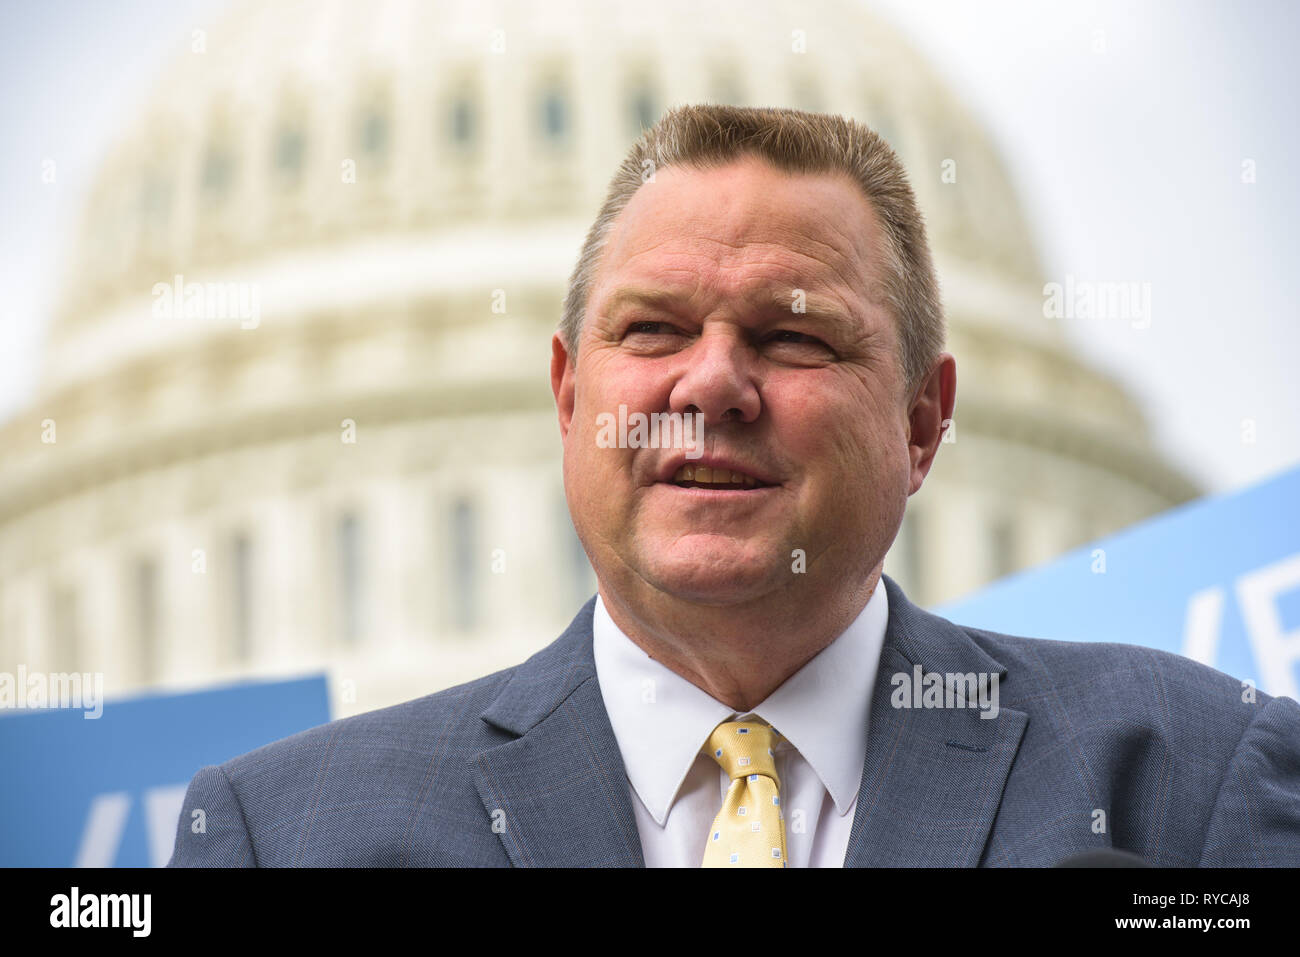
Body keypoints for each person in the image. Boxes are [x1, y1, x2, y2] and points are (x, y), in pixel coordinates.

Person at [169, 104, 1300, 867]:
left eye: (794, 337)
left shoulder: (1184, 785)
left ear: (921, 421)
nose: (710, 384)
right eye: (653, 328)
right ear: (568, 396)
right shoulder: (287, 836)